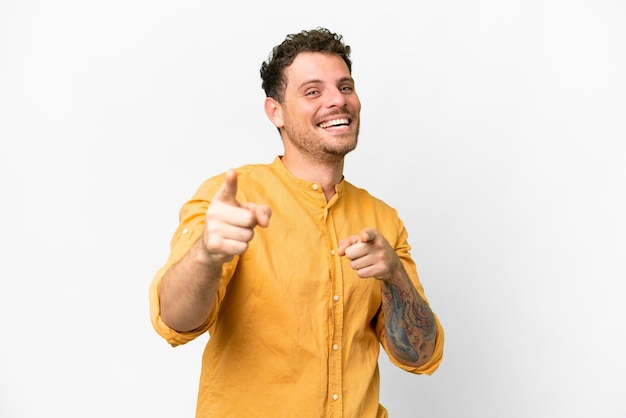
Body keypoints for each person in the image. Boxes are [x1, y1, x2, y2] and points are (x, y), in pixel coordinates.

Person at [149, 27, 444, 417]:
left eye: (345, 86)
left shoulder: (382, 219)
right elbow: (174, 321)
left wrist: (394, 276)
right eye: (313, 91)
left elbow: (420, 357)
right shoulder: (232, 199)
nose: (338, 100)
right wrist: (206, 254)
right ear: (276, 112)